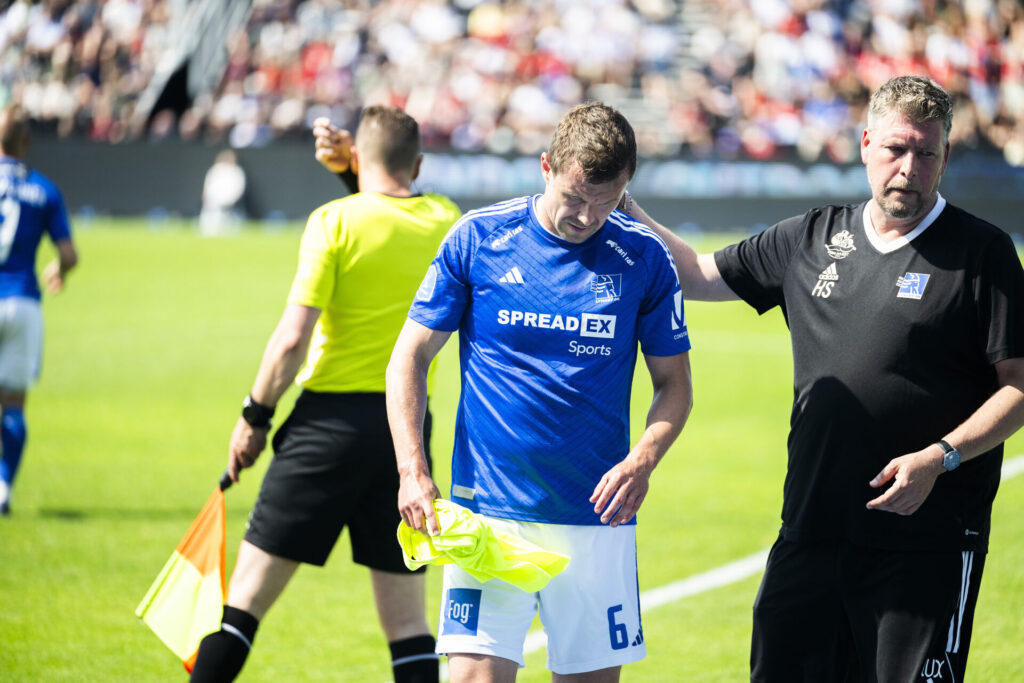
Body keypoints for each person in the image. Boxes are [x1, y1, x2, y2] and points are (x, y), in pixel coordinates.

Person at [627, 75, 1024, 681]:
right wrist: (618, 200)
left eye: (926, 153)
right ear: (866, 144)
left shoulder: (984, 254)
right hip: (811, 531)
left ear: (945, 156)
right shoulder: (810, 237)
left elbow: (1018, 388)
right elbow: (697, 274)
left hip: (926, 545)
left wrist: (941, 457)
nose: (908, 168)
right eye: (896, 148)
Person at [386, 102, 694, 683]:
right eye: (575, 197)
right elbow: (409, 357)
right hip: (487, 515)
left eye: (606, 202)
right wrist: (411, 469)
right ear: (547, 166)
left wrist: (644, 460)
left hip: (596, 517)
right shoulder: (479, 237)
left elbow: (674, 386)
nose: (586, 217)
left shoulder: (645, 258)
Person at [189, 106, 461, 683]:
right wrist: (358, 166)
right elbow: (395, 211)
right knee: (410, 628)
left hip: (326, 429)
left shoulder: (333, 220)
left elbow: (291, 338)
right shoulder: (445, 218)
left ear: (359, 158)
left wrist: (254, 416)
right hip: (404, 435)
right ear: (418, 163)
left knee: (241, 609)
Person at [0, 105, 78, 516]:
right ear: (26, 143)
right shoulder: (43, 189)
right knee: (13, 403)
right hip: (23, 301)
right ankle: (3, 488)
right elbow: (69, 254)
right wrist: (58, 270)